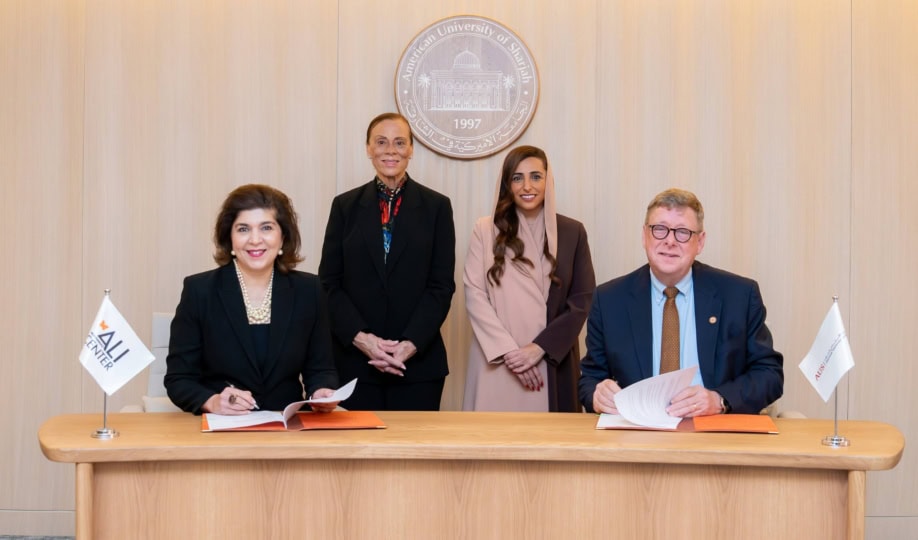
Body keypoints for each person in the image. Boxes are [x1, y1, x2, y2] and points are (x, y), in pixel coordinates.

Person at [579, 188, 783, 416]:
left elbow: (769, 374)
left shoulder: (739, 295)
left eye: (683, 232)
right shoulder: (609, 300)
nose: (670, 241)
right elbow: (589, 378)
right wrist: (597, 395)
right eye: (660, 230)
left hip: (713, 430)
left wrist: (719, 399)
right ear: (644, 236)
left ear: (700, 242)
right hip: (637, 432)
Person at [319, 112, 456, 411]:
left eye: (399, 142)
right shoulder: (344, 206)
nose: (390, 150)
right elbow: (329, 283)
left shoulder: (437, 207)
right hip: (355, 362)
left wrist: (409, 345)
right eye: (381, 142)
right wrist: (363, 340)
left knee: (415, 454)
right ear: (369, 149)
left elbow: (441, 286)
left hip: (418, 365)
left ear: (410, 150)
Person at [165, 184, 340, 415]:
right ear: (230, 237)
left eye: (266, 228)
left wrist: (321, 392)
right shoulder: (200, 291)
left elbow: (321, 369)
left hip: (287, 427)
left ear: (283, 235)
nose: (255, 240)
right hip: (223, 429)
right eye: (243, 229)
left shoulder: (309, 290)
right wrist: (214, 401)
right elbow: (179, 379)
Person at [463, 145, 595, 412]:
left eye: (536, 176)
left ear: (549, 180)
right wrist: (510, 353)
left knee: (551, 444)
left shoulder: (572, 231)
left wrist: (539, 349)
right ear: (507, 184)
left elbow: (582, 300)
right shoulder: (485, 229)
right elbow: (474, 294)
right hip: (497, 360)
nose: (527, 186)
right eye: (517, 177)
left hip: (550, 358)